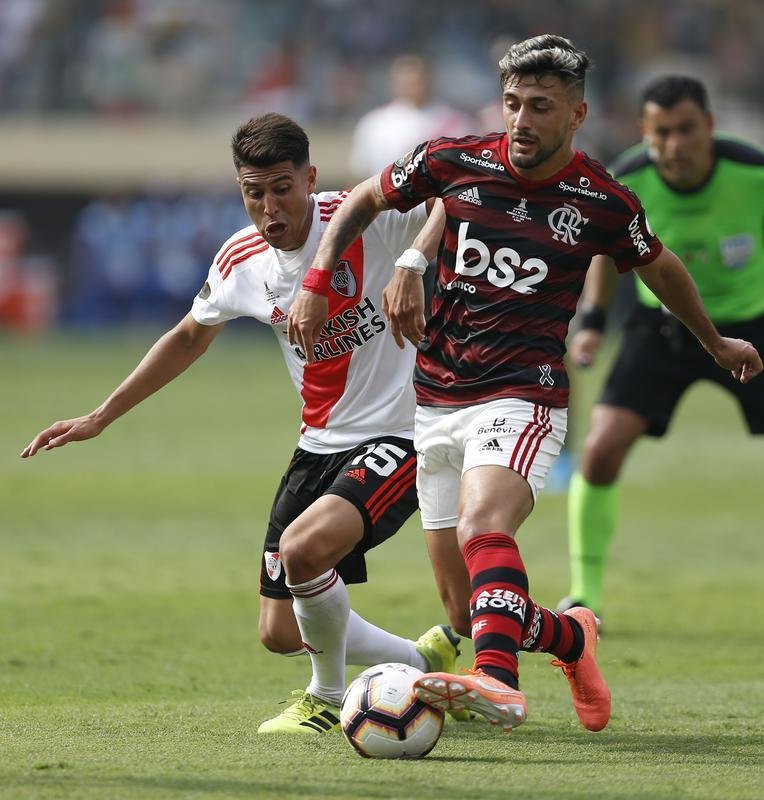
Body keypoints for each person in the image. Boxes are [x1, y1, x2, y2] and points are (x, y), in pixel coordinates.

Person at [286, 36, 763, 734]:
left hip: (523, 392)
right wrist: (319, 277)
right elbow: (366, 197)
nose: (521, 120)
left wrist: (713, 340)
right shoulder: (456, 161)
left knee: (487, 526)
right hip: (437, 397)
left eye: (540, 106)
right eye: (512, 103)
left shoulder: (599, 198)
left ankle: (498, 682)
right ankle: (571, 638)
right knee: (464, 610)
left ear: (576, 113)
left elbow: (657, 266)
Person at [20, 112, 464, 736]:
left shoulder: (369, 217)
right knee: (279, 631)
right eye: (253, 192)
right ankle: (420, 663)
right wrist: (100, 416)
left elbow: (458, 193)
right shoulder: (242, 259)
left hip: (404, 430)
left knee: (305, 550)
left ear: (310, 178)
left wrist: (414, 262)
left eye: (282, 187)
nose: (269, 207)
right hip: (318, 445)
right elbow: (187, 338)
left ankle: (326, 698)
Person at [557, 75, 764, 618]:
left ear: (709, 126)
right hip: (662, 330)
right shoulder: (629, 178)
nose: (675, 145)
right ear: (645, 131)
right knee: (600, 450)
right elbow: (600, 249)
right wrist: (592, 319)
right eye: (662, 132)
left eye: (687, 130)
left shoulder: (759, 171)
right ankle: (585, 595)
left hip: (757, 332)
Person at [348, 53, 471, 181]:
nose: (413, 82)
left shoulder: (455, 120)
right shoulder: (374, 123)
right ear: (394, 81)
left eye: (418, 77)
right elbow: (360, 176)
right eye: (406, 77)